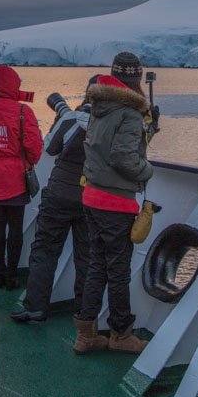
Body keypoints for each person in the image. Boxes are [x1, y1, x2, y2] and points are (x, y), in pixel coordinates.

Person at [74, 52, 154, 355]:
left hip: (91, 197)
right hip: (115, 202)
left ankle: (86, 334)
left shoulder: (100, 107)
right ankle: (121, 334)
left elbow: (106, 149)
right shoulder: (130, 114)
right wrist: (147, 170)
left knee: (96, 266)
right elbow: (123, 158)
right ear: (135, 81)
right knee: (118, 271)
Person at [11, 76, 98, 323]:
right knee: (87, 256)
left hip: (59, 194)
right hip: (90, 197)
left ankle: (35, 307)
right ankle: (84, 312)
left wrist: (59, 119)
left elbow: (48, 148)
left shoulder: (71, 118)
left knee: (45, 250)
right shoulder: (109, 123)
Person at [0, 65, 44, 290]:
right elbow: (33, 146)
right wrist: (27, 159)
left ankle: (0, 272)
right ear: (15, 85)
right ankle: (12, 275)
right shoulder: (23, 111)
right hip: (15, 178)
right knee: (15, 227)